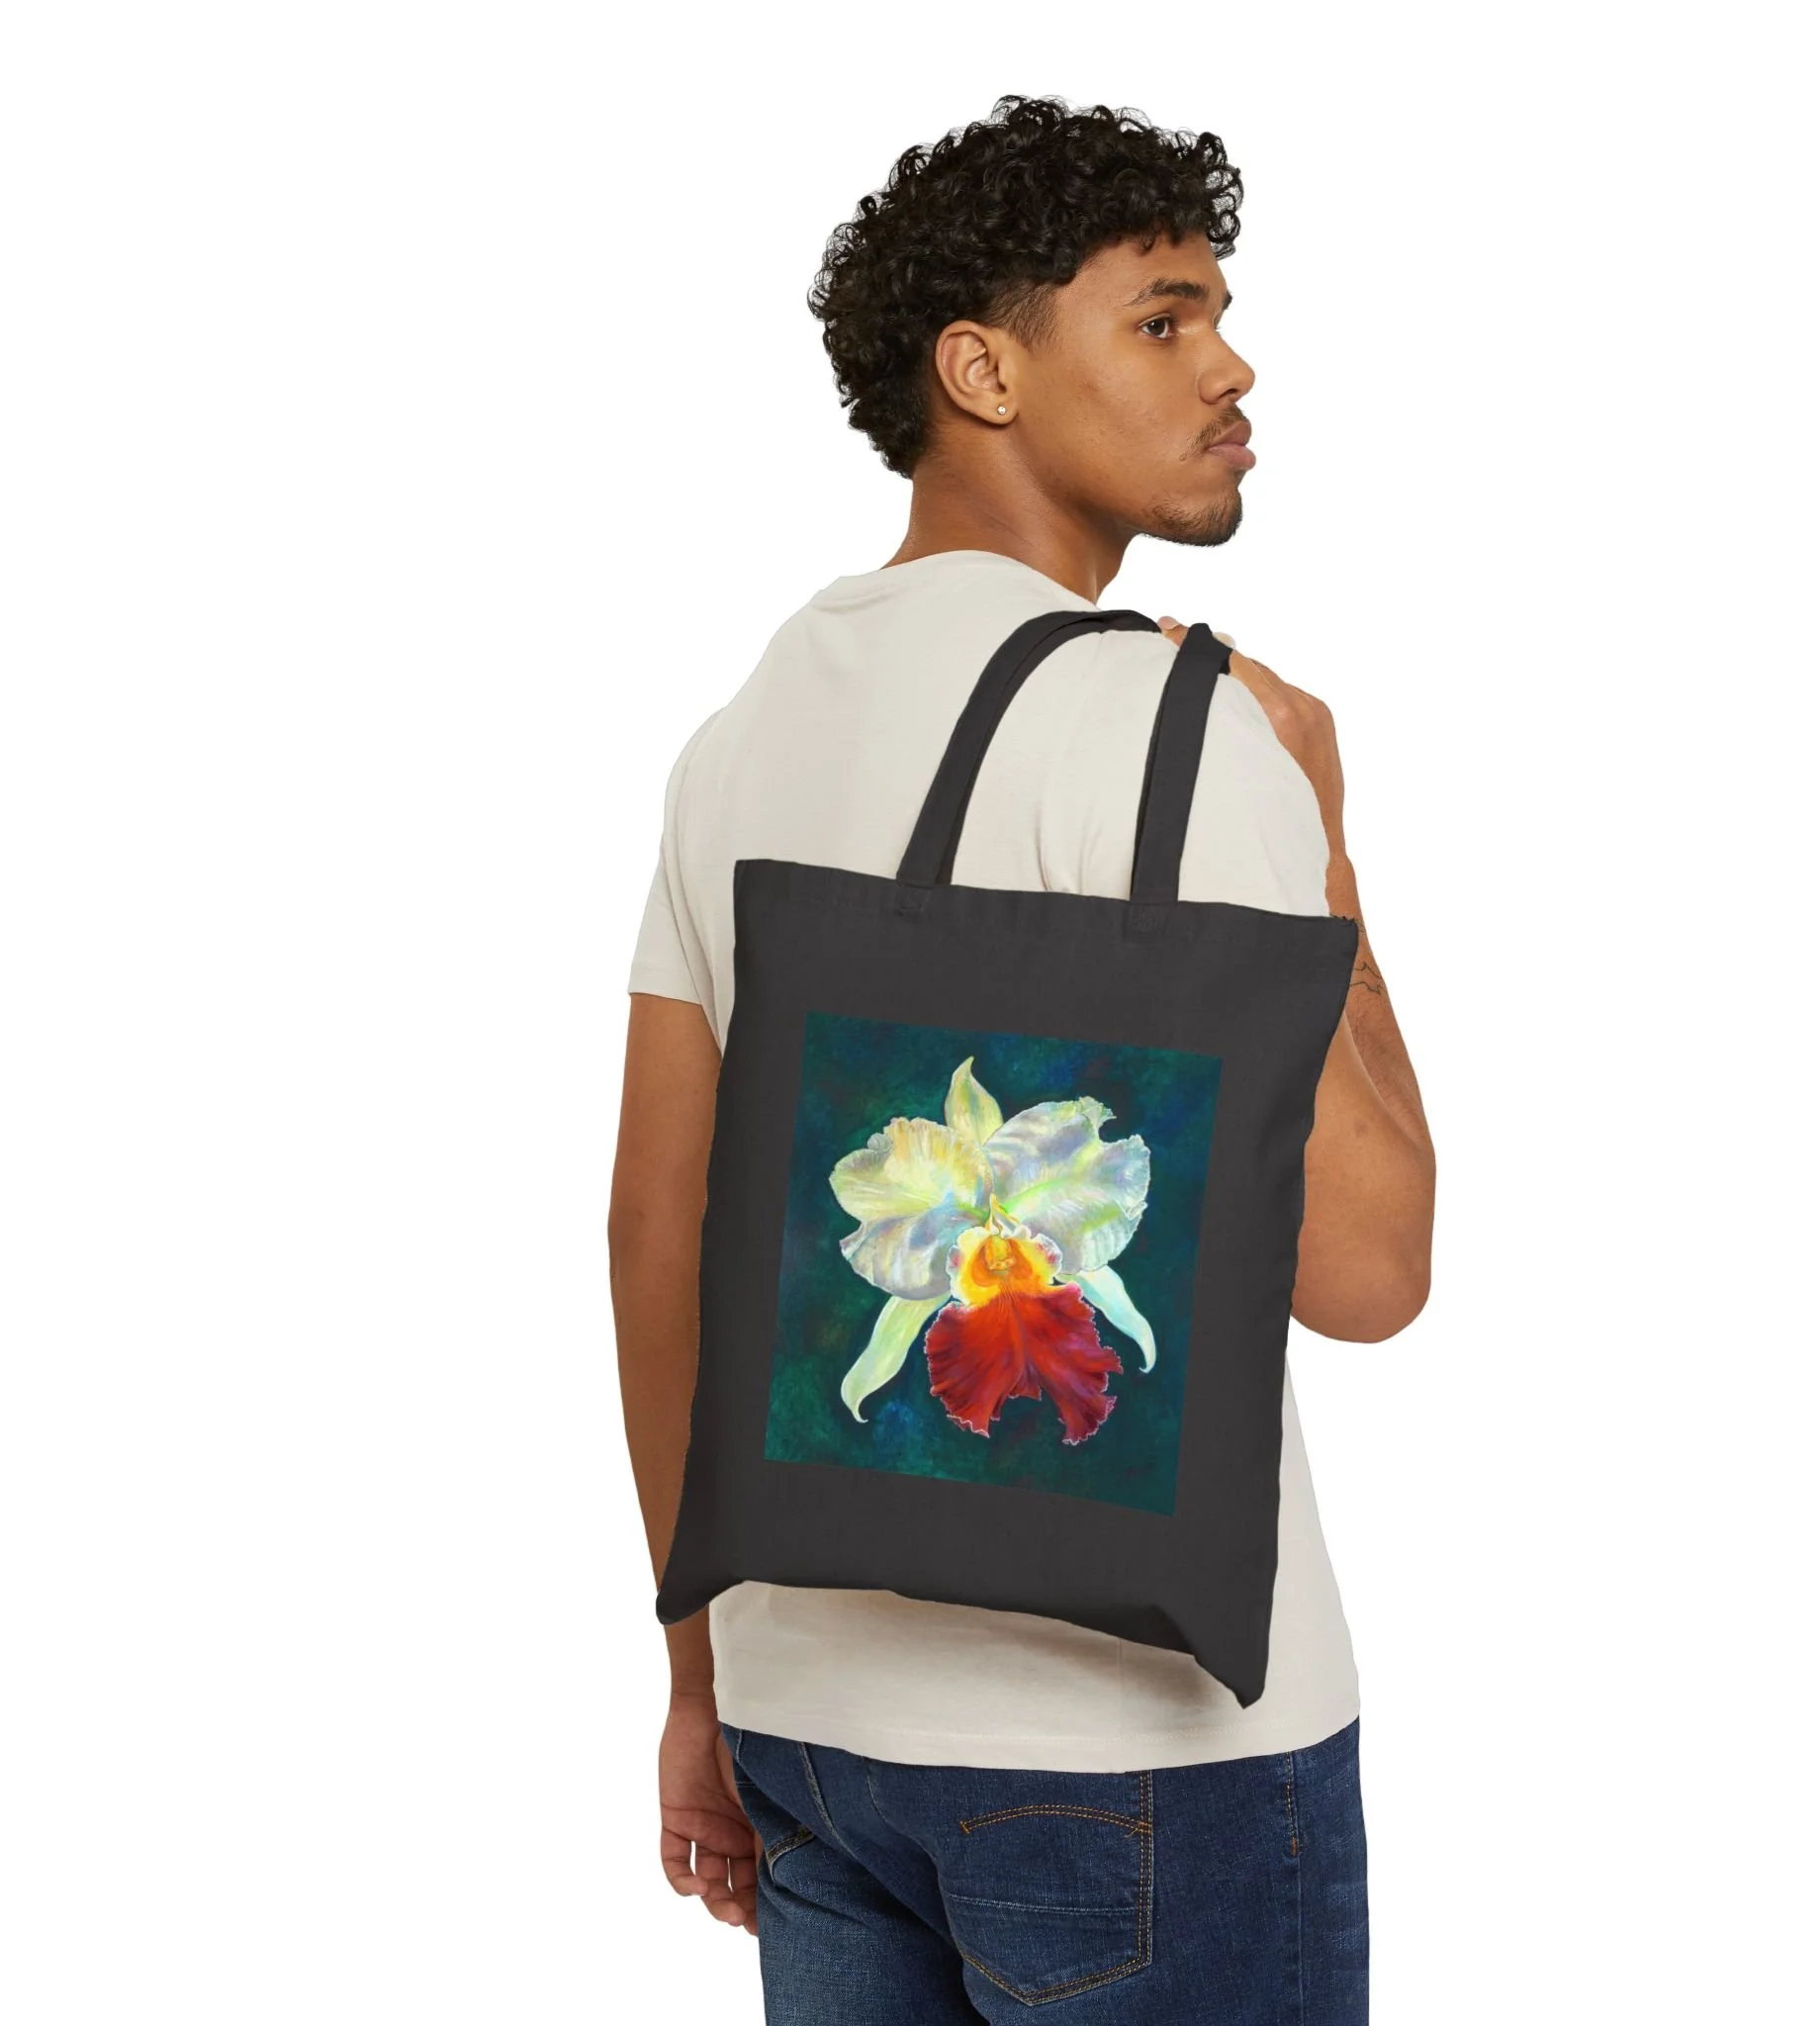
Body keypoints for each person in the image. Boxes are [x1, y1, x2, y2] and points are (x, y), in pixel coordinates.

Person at [607, 93, 1436, 2022]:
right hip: (1144, 1757)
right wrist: (1323, 843)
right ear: (979, 370)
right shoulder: (1179, 727)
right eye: (1162, 318)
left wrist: (698, 1676)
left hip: (807, 1731)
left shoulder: (735, 739)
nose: (1230, 367)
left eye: (1219, 312)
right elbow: (1372, 1271)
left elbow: (658, 1230)